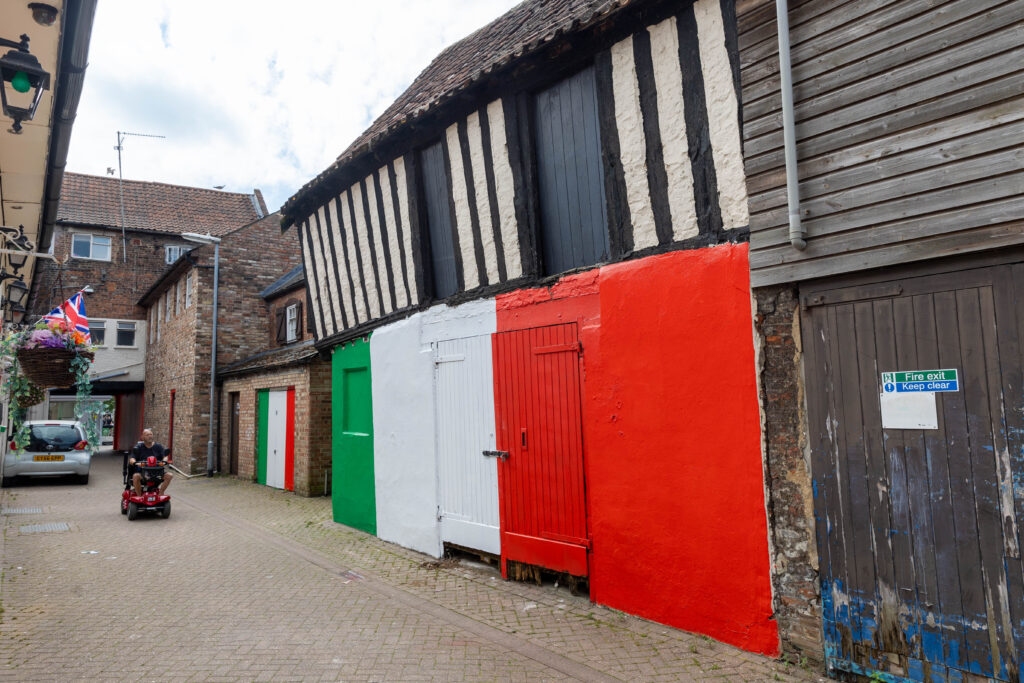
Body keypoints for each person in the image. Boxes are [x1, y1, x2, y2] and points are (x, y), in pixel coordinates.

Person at [127, 429, 173, 496]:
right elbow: (132, 459)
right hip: (143, 473)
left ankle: (161, 493)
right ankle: (139, 496)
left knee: (169, 475)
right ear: (142, 437)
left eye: (151, 434)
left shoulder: (158, 446)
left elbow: (165, 456)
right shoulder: (138, 447)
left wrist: (164, 461)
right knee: (135, 476)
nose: (150, 436)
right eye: (147, 435)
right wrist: (136, 463)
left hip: (157, 473)